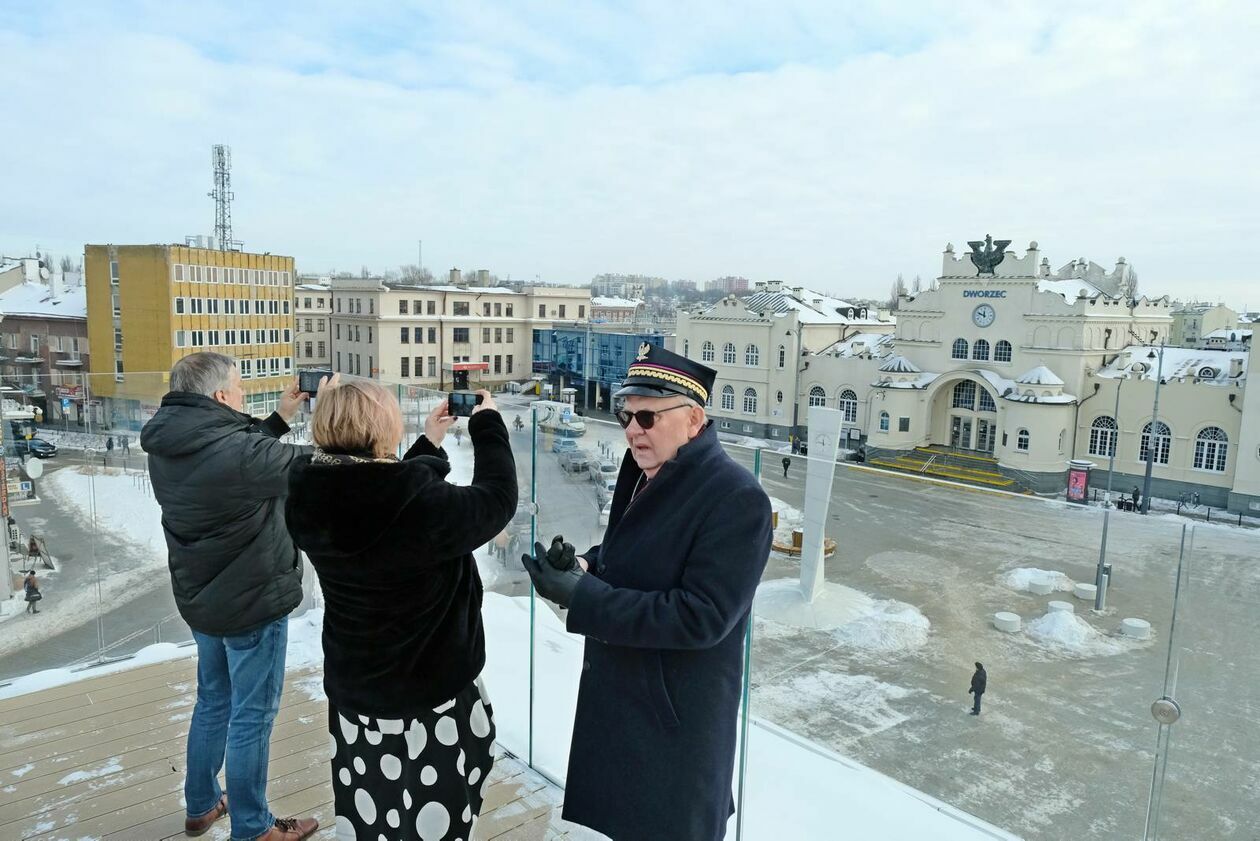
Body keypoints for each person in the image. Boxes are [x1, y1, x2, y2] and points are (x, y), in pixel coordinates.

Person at [523, 344, 773, 840]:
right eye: (625, 416)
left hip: (675, 727)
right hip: (629, 706)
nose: (633, 428)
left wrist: (582, 595)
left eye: (647, 416)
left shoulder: (738, 499)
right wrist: (583, 564)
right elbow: (635, 554)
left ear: (694, 419)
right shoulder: (645, 471)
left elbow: (700, 616)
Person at [286, 384, 516, 841]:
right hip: (428, 697)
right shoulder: (422, 508)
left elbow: (373, 493)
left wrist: (428, 444)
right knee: (434, 818)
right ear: (380, 429)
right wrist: (487, 423)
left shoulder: (308, 496)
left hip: (358, 692)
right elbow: (497, 499)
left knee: (373, 806)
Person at [141, 352, 321, 841]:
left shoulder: (168, 440)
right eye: (239, 389)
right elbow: (314, 469)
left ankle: (201, 805)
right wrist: (337, 414)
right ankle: (254, 827)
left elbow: (231, 460)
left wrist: (280, 419)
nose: (243, 396)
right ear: (220, 396)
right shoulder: (237, 453)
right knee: (251, 716)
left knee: (214, 701)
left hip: (203, 599)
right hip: (252, 601)